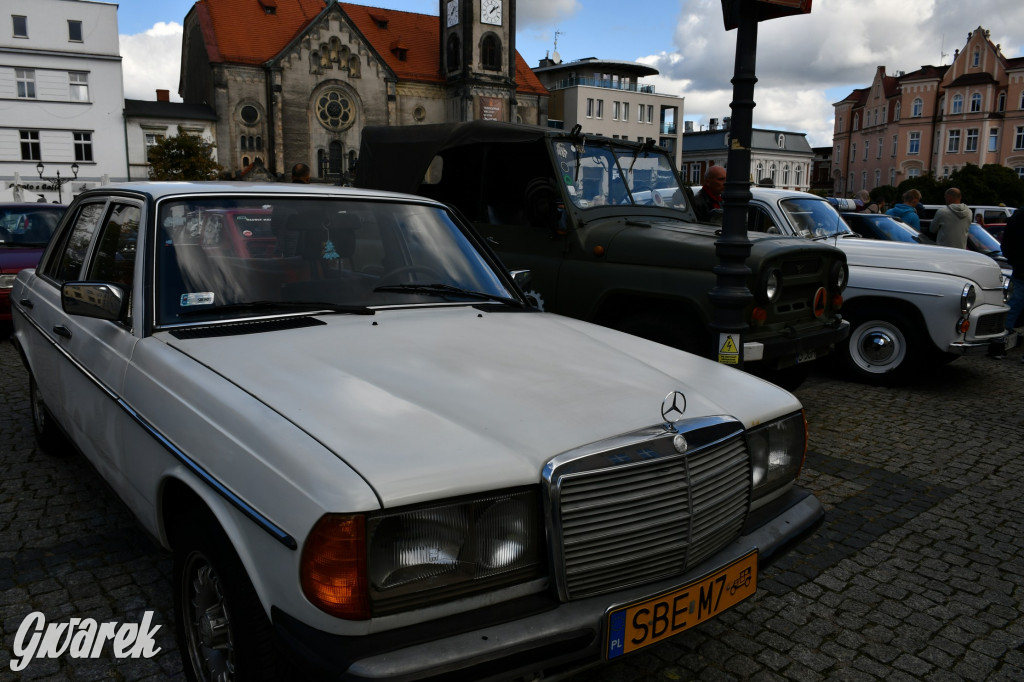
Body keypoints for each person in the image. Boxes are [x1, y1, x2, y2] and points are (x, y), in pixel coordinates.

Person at [1001, 208, 1024, 345]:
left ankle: (1001, 342)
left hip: (1020, 267)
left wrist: (1013, 260)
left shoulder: (1016, 218)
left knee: (1013, 304)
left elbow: (1006, 245)